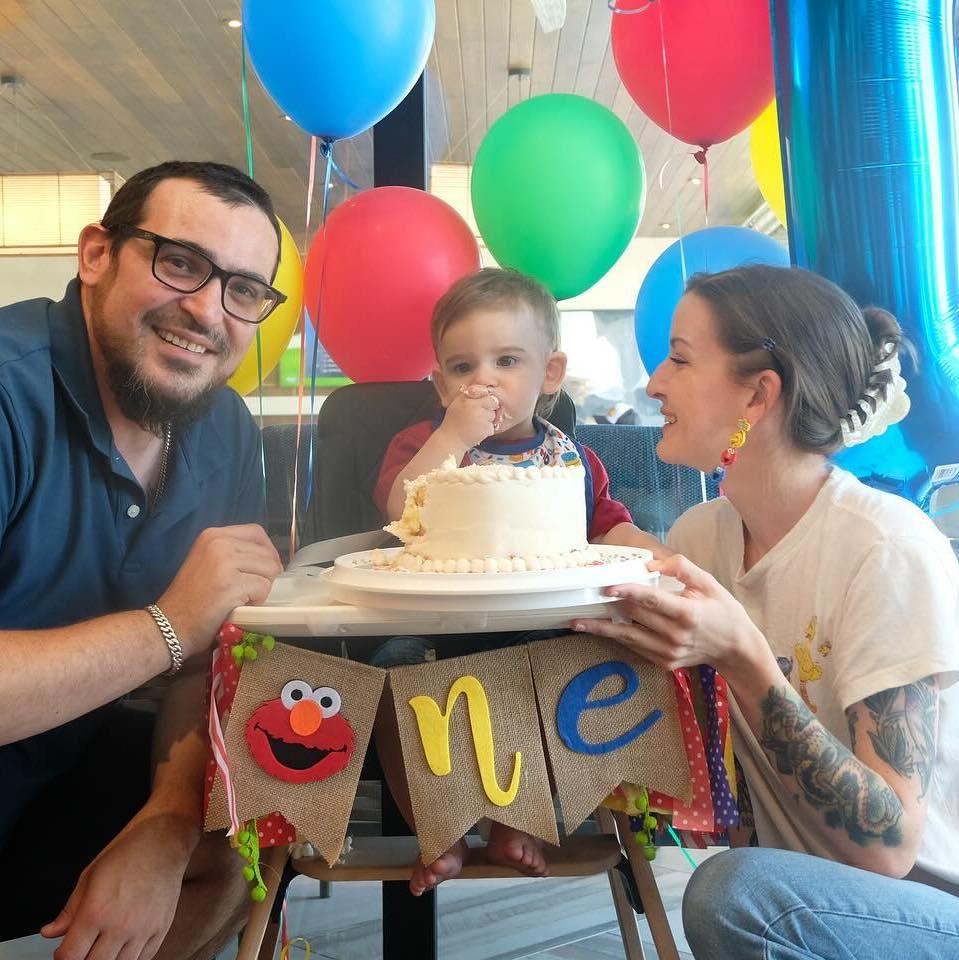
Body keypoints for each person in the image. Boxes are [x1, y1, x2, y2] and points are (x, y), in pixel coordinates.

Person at [572, 264, 959, 958]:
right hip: (809, 895)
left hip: (929, 905)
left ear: (757, 394)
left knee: (735, 892)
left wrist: (742, 656)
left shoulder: (886, 548)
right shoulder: (700, 539)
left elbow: (892, 846)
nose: (654, 383)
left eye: (679, 359)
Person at [0, 161, 285, 959]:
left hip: (62, 773)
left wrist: (168, 819)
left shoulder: (223, 427)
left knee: (242, 831)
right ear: (97, 255)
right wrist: (171, 623)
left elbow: (213, 658)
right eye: (181, 262)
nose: (206, 310)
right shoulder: (9, 394)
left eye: (242, 290)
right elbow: (188, 630)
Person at [371, 266, 666, 897]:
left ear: (549, 373)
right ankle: (438, 827)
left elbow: (608, 527)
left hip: (539, 628)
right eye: (462, 367)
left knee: (565, 672)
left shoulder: (571, 460)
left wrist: (654, 553)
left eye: (506, 360)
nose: (483, 381)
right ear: (439, 384)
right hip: (436, 628)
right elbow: (400, 507)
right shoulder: (425, 444)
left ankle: (517, 819)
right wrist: (453, 436)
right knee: (392, 679)